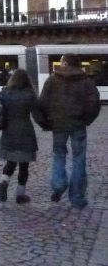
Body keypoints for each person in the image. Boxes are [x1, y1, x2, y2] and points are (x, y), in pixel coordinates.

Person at [39, 53, 101, 209]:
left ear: (64, 63)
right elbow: (94, 104)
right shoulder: (86, 82)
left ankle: (59, 185)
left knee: (59, 156)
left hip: (58, 125)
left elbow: (42, 103)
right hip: (78, 125)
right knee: (79, 160)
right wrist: (86, 119)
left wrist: (45, 122)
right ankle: (77, 197)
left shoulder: (52, 80)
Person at [0, 68, 44, 204]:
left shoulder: (4, 92)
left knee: (10, 162)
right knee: (24, 165)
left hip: (8, 131)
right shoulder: (30, 94)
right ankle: (20, 194)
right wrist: (45, 125)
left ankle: (3, 181)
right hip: (25, 131)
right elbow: (37, 115)